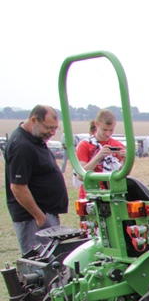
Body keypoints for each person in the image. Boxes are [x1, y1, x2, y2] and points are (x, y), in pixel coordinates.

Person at [3, 105, 68, 254]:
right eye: (49, 128)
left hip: (45, 214)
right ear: (34, 120)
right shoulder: (21, 146)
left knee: (53, 259)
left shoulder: (34, 139)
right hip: (33, 219)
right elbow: (18, 188)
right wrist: (40, 218)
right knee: (39, 260)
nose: (52, 133)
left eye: (55, 128)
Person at [75, 109, 126, 199]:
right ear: (96, 124)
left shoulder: (118, 145)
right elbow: (81, 175)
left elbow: (122, 175)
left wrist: (125, 161)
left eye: (111, 130)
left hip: (112, 194)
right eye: (104, 130)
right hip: (90, 194)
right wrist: (98, 157)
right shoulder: (85, 145)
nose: (107, 134)